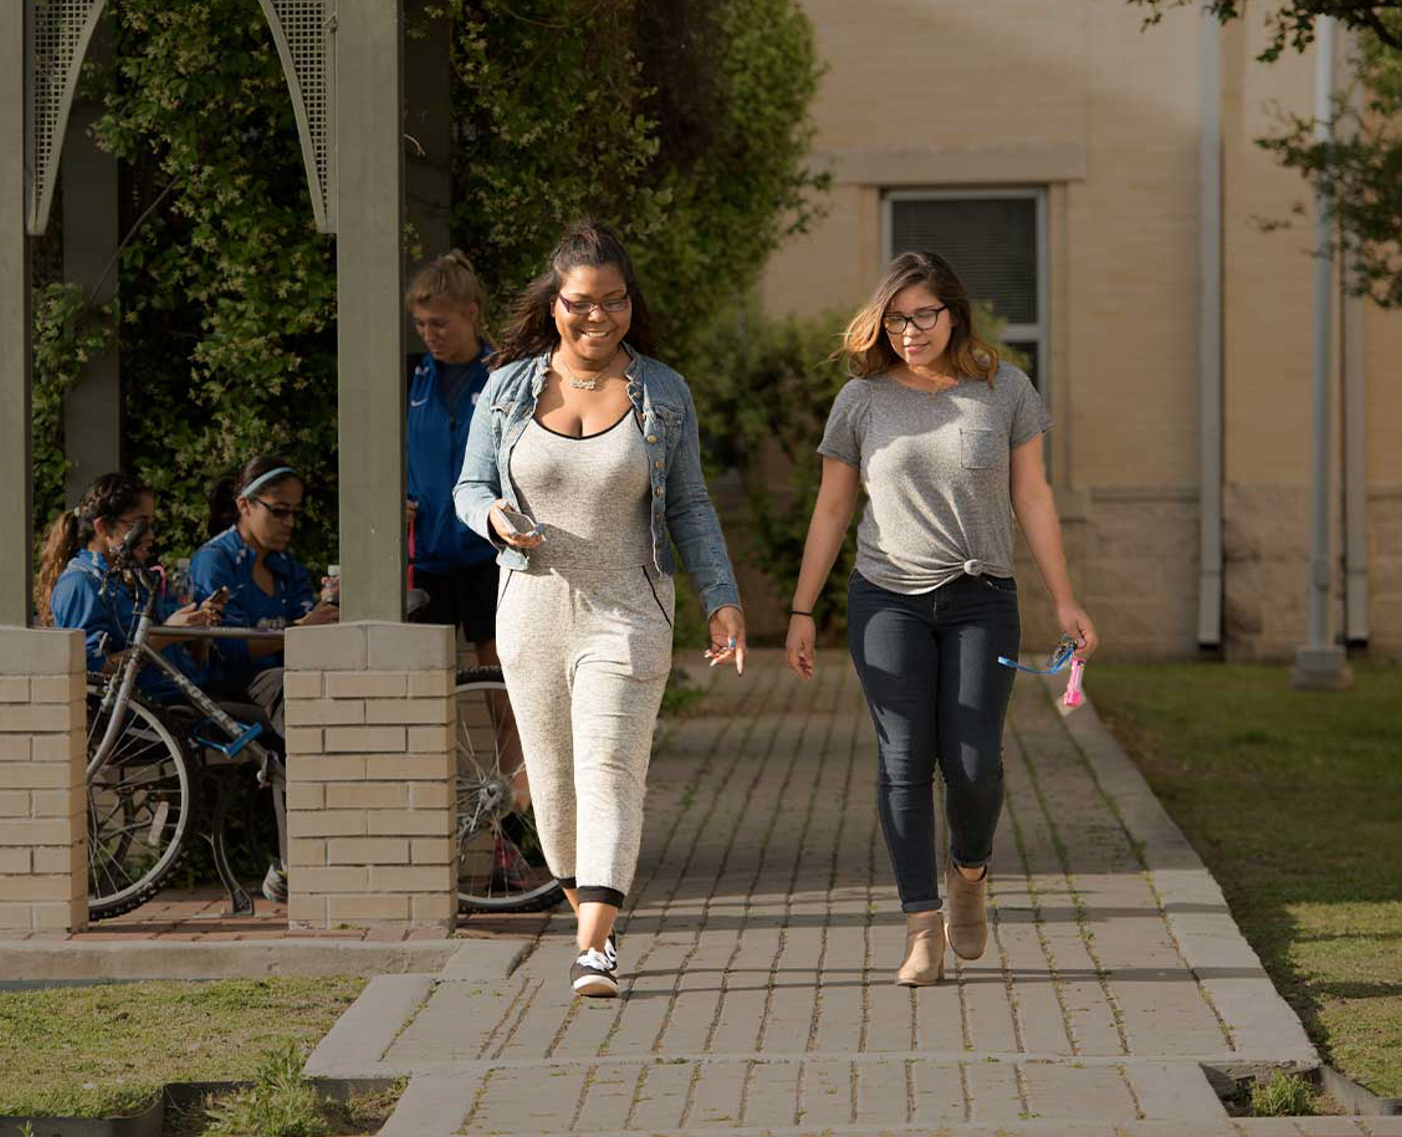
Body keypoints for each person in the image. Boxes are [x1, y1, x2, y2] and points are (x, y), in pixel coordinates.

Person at [784, 251, 1098, 987]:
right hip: (884, 599)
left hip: (981, 598)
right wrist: (801, 609)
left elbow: (1033, 496)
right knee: (901, 761)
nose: (909, 330)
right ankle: (920, 926)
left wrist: (1065, 599)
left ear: (954, 313)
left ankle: (970, 872)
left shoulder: (1003, 390)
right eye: (895, 318)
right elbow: (832, 508)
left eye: (923, 315)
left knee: (971, 763)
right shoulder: (860, 399)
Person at [455, 217, 746, 1000]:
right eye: (582, 303)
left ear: (628, 302)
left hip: (629, 611)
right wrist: (492, 518)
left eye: (613, 302)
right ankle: (593, 915)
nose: (598, 318)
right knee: (550, 785)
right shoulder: (508, 387)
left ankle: (593, 946)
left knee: (611, 769)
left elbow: (688, 504)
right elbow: (468, 487)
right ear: (555, 303)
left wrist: (721, 598)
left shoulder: (663, 391)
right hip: (532, 611)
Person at [404, 249, 531, 824]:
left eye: (441, 323)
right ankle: (435, 824)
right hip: (429, 556)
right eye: (421, 324)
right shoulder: (413, 376)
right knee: (429, 701)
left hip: (488, 553)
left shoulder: (503, 375)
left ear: (472, 314)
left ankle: (508, 824)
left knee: (503, 693)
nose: (430, 335)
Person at [190, 455, 341, 901]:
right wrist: (300, 629)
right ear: (245, 506)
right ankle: (301, 856)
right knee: (300, 701)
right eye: (279, 510)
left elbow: (303, 623)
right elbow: (230, 646)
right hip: (231, 682)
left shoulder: (285, 565)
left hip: (280, 675)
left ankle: (310, 854)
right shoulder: (214, 560)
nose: (289, 521)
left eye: (295, 512)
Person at [38, 472, 224, 701]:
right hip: (151, 715)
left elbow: (181, 658)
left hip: (189, 695)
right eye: (139, 525)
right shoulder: (80, 584)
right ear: (103, 527)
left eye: (151, 524)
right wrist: (164, 636)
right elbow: (90, 673)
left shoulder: (130, 574)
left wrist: (197, 632)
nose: (150, 535)